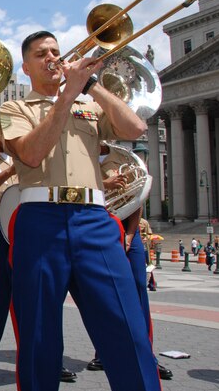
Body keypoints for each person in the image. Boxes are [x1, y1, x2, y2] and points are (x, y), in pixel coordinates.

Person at [0, 30, 160, 390]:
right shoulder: (14, 109)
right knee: (40, 337)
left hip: (94, 220)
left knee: (126, 327)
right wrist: (66, 96)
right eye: (41, 54)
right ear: (26, 67)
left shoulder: (88, 104)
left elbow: (135, 126)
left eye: (55, 50)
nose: (52, 57)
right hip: (41, 222)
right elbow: (31, 154)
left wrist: (92, 85)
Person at [0, 118, 76, 384]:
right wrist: (8, 171)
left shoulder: (36, 148)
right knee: (0, 295)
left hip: (37, 227)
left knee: (44, 297)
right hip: (0, 229)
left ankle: (47, 358)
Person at [84, 146, 172, 379]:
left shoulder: (122, 159)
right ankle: (104, 353)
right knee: (102, 296)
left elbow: (137, 196)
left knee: (138, 293)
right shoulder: (80, 156)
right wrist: (105, 184)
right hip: (95, 229)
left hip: (126, 231)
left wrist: (131, 235)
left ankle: (147, 356)